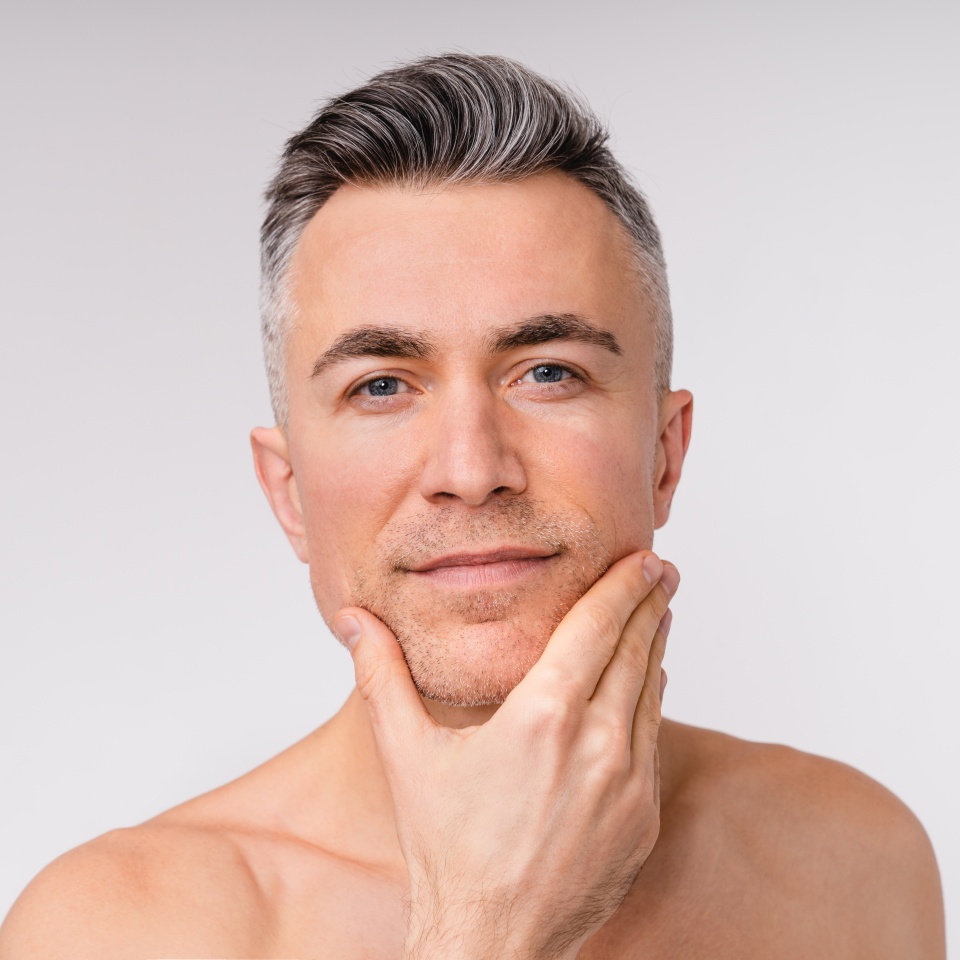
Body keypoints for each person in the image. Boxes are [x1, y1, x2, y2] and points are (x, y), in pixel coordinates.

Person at [0, 53, 945, 959]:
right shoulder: (113, 933)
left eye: (546, 372)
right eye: (381, 385)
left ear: (665, 455)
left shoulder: (857, 858)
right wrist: (489, 930)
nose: (469, 467)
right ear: (288, 494)